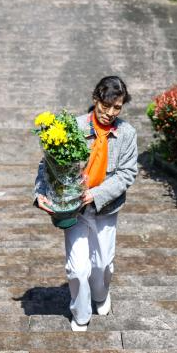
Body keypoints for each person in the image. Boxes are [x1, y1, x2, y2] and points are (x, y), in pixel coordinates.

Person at [33, 76, 139, 331]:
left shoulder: (126, 133)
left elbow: (127, 173)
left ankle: (101, 295)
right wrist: (39, 194)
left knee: (102, 264)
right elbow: (46, 165)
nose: (110, 113)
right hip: (73, 207)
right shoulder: (73, 127)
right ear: (95, 100)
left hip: (105, 208)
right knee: (78, 268)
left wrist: (97, 194)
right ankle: (80, 314)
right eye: (106, 106)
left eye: (117, 108)